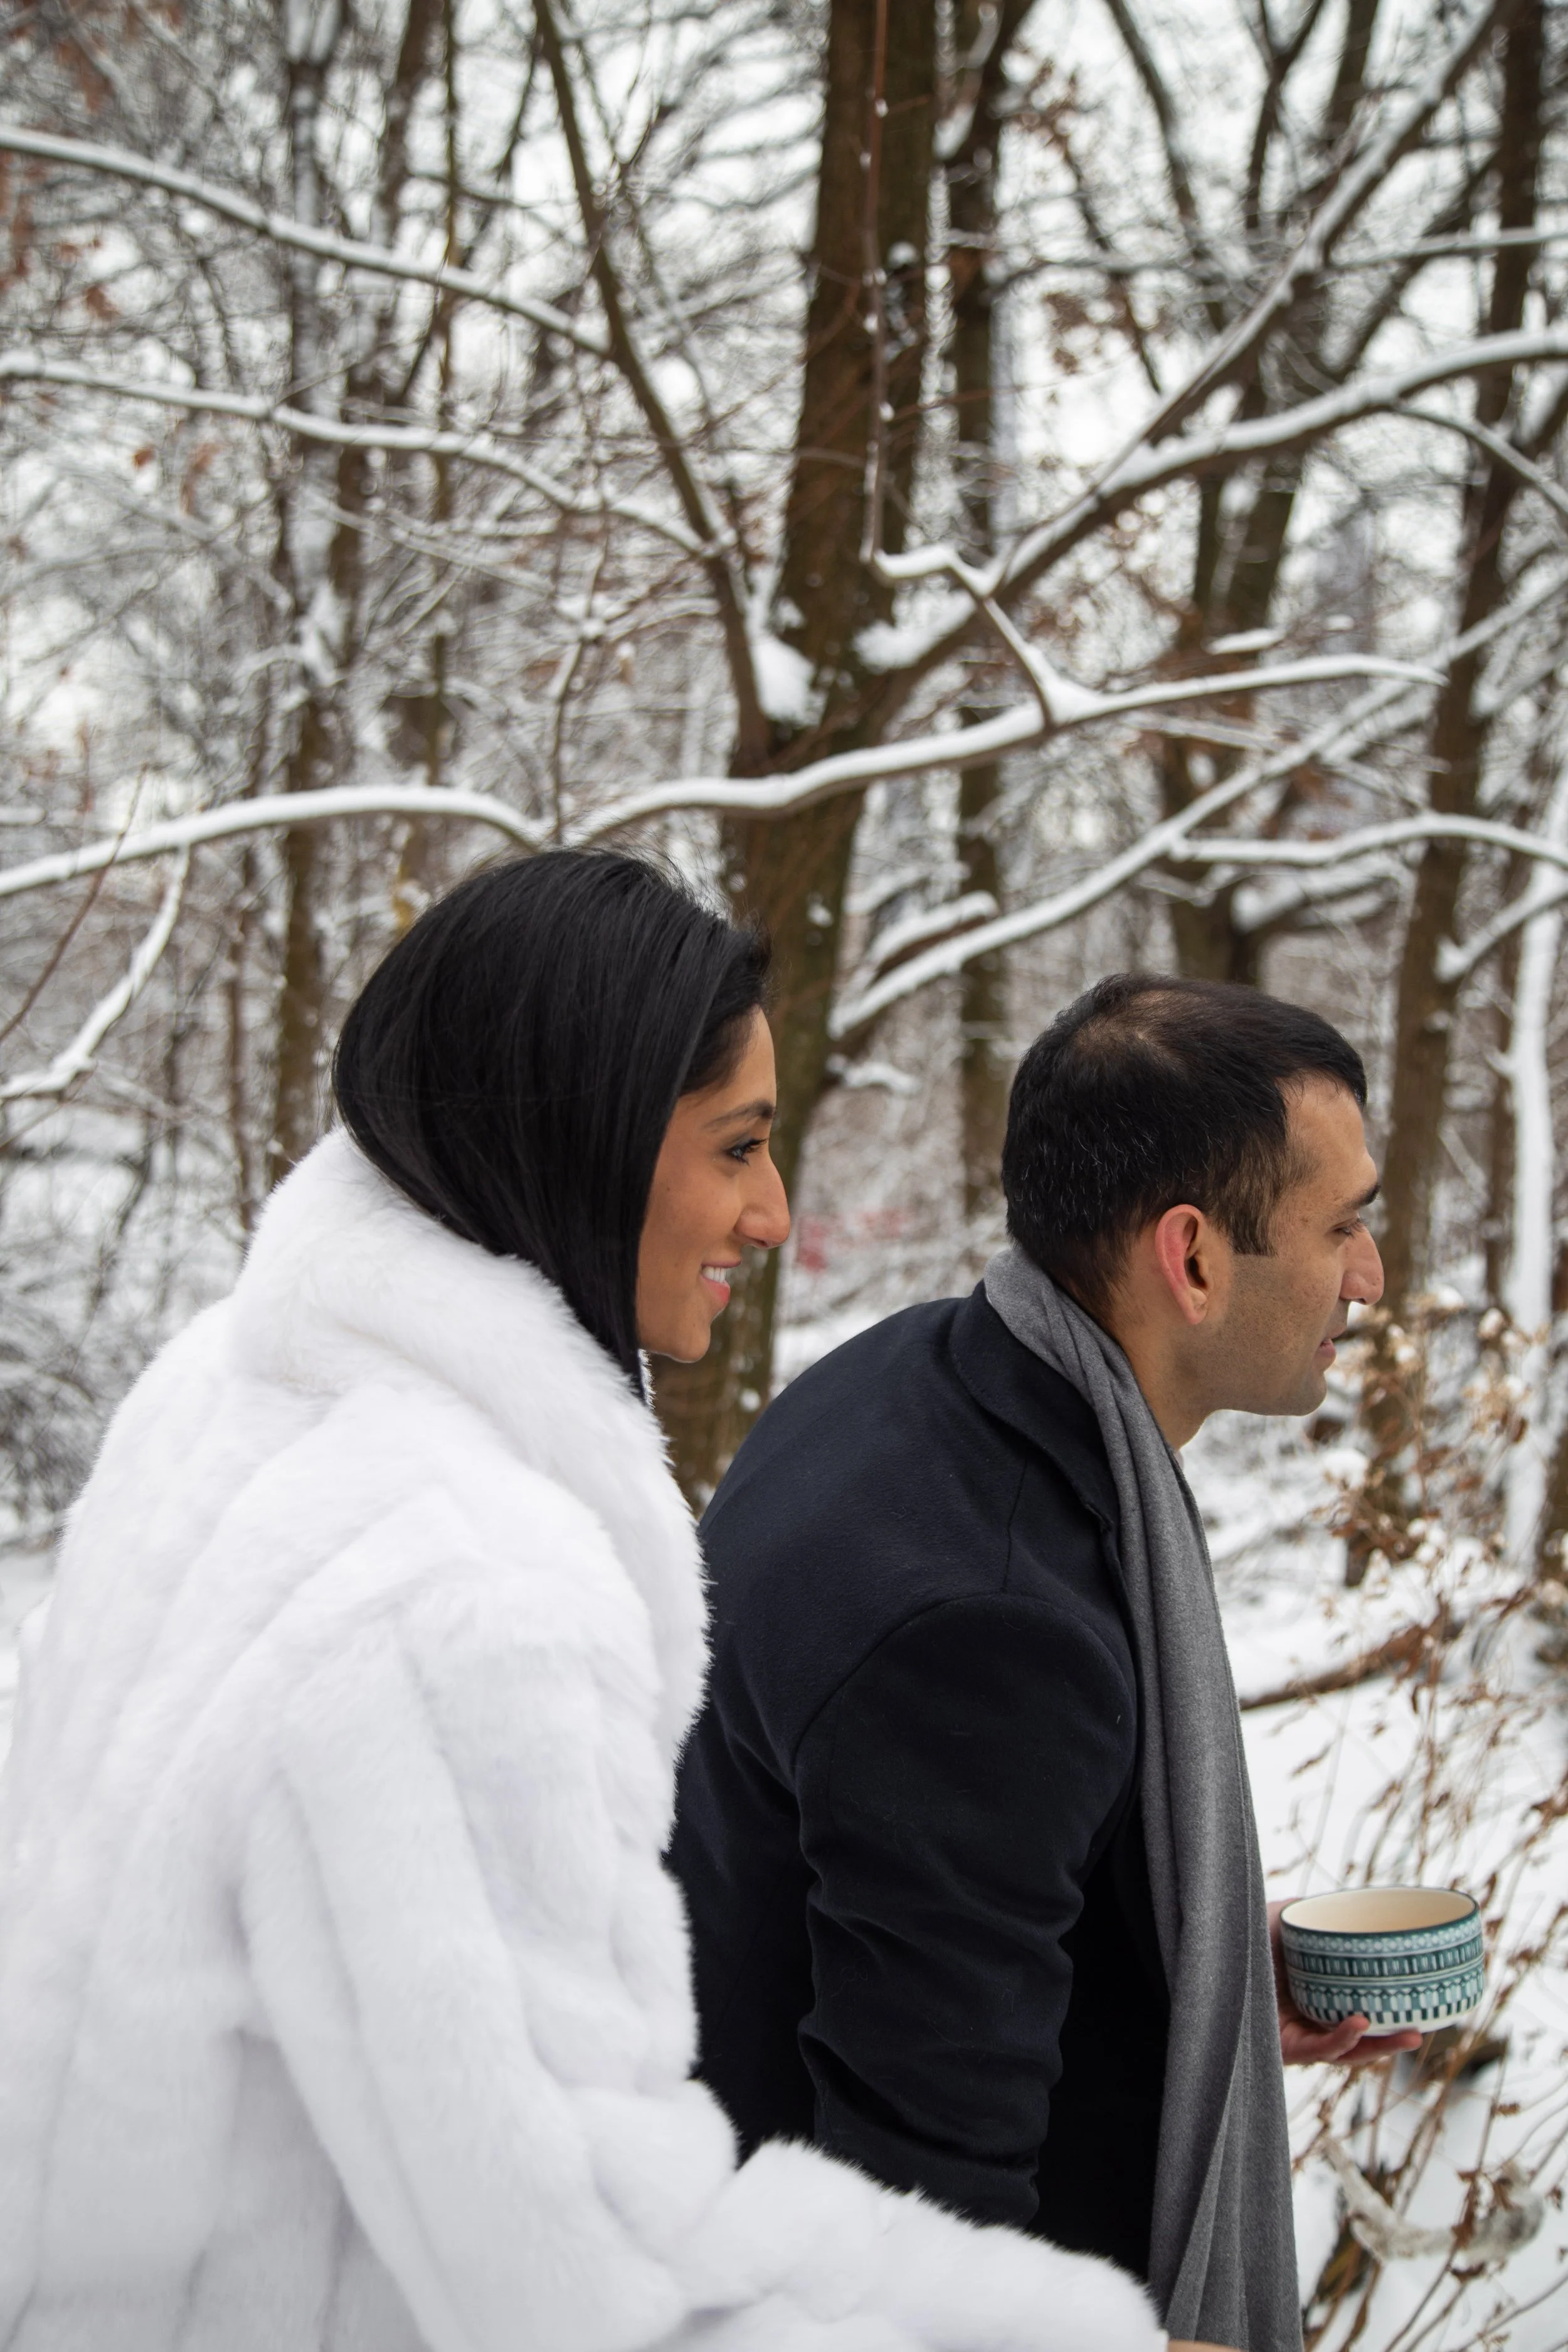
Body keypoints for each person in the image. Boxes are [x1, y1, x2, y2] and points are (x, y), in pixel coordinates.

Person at [0, 857, 1166, 2352]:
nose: (772, 1214)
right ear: (591, 1136)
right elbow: (594, 2291)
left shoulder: (228, 1398)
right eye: (737, 1147)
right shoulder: (463, 1599)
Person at [672, 974, 1418, 2352]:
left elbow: (932, 1916)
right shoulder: (991, 1622)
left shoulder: (913, 1382)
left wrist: (1197, 1977)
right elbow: (917, 2265)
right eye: (1343, 1225)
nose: (1368, 1275)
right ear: (1192, 1258)